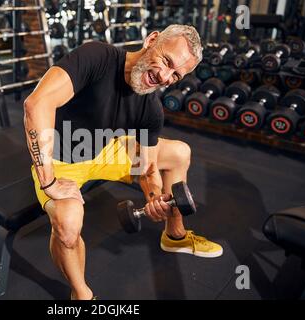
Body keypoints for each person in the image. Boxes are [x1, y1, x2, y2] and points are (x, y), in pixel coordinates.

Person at [23, 24, 223, 300]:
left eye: (175, 75)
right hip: (60, 160)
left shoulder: (150, 108)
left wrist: (154, 198)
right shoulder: (97, 57)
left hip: (104, 150)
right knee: (68, 227)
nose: (164, 77)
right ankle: (81, 294)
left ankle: (174, 235)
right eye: (167, 61)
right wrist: (49, 181)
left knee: (179, 152)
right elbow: (37, 104)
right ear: (152, 39)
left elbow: (147, 168)